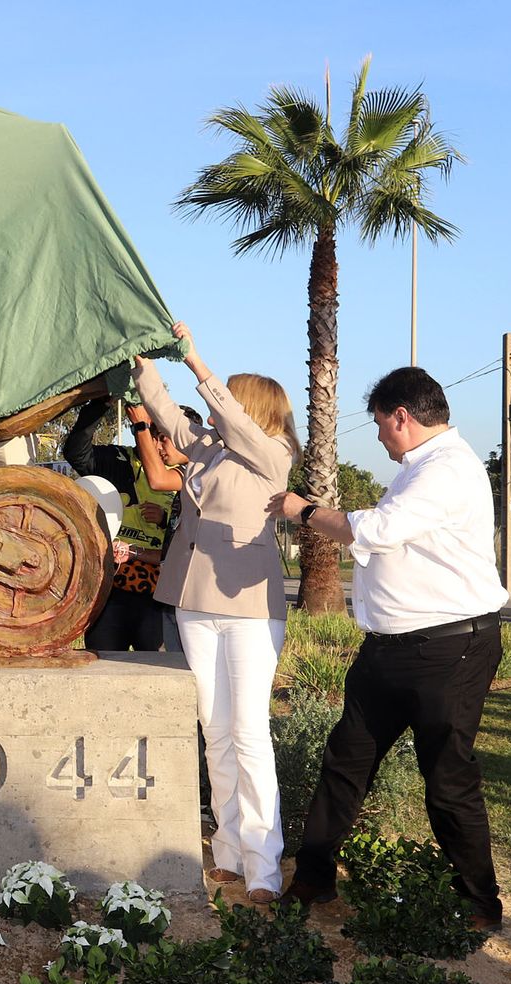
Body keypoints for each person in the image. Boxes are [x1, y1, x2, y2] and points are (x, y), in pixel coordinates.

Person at [268, 367, 509, 931]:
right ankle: (313, 878)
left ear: (402, 415)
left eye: (380, 424)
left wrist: (302, 510)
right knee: (345, 762)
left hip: (451, 650)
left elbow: (375, 532)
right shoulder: (417, 468)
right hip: (389, 652)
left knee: (448, 778)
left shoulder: (447, 469)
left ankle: (479, 904)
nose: (377, 436)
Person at [135, 321, 300, 903]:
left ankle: (264, 865)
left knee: (250, 731)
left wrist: (198, 364)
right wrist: (141, 359)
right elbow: (163, 410)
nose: (215, 406)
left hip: (251, 609)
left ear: (252, 407)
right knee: (215, 728)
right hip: (193, 602)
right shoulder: (207, 449)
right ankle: (228, 850)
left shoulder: (270, 454)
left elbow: (228, 419)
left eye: (230, 395)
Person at [63, 398, 189, 650]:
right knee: (103, 664)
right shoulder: (119, 458)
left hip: (158, 591)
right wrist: (102, 404)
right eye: (151, 433)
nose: (155, 442)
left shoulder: (189, 472)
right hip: (113, 585)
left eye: (162, 435)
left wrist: (165, 520)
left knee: (156, 672)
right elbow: (76, 452)